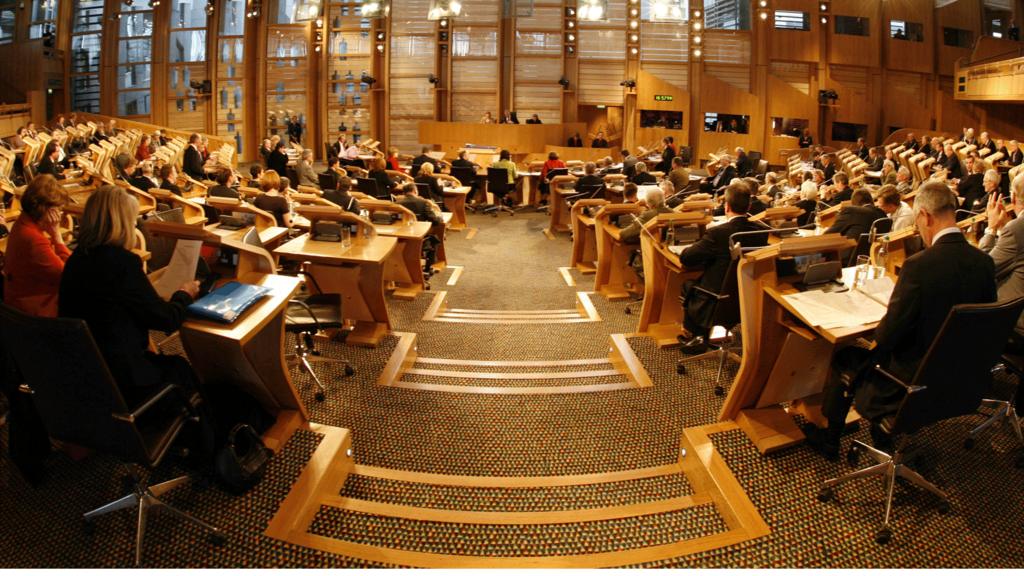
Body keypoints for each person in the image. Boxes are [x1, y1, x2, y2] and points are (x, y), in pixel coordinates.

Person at [804, 182, 997, 459]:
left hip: (907, 383)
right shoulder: (984, 263)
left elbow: (886, 337)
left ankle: (830, 441)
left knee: (846, 357)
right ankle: (881, 434)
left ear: (925, 216)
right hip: (956, 380)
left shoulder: (920, 266)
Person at [678, 184, 768, 354]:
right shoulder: (761, 231)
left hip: (717, 300)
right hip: (746, 298)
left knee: (688, 284)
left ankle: (696, 336)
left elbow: (687, 258)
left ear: (726, 206)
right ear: (748, 206)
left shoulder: (718, 233)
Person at [3, 175, 70, 317]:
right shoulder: (33, 239)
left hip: (17, 303)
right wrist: (57, 235)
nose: (60, 214)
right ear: (46, 209)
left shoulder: (22, 223)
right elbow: (68, 276)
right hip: (35, 313)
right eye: (58, 209)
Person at [980, 174, 1024, 342]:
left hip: (1014, 327)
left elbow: (983, 269)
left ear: (1012, 196)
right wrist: (1003, 227)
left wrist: (991, 228)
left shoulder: (1016, 228)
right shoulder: (1014, 229)